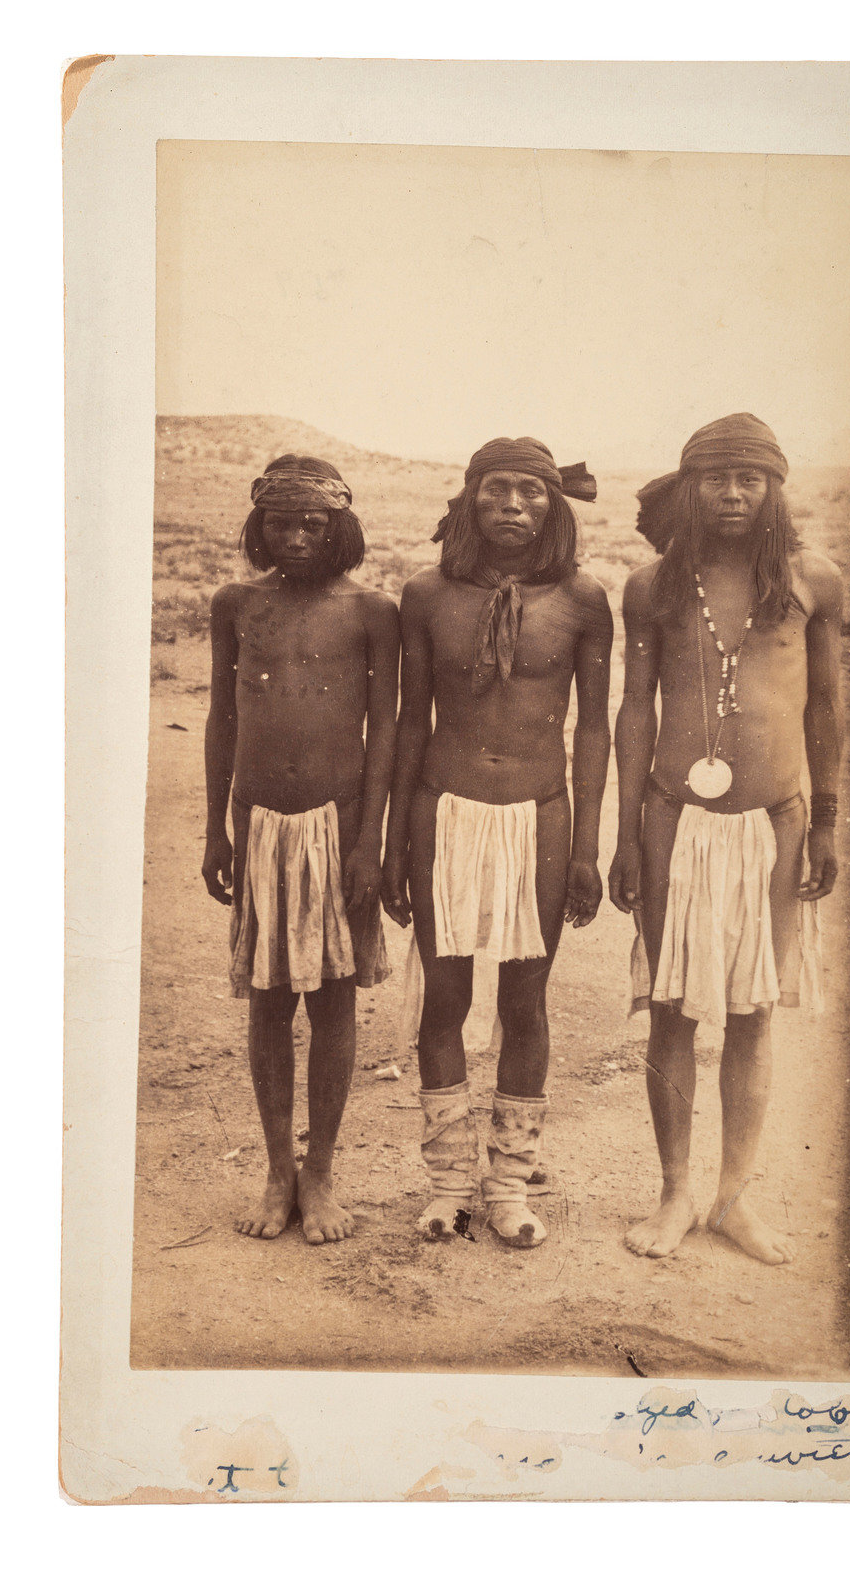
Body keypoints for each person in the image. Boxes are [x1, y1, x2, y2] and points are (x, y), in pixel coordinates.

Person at [608, 415, 843, 1263]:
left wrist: (827, 821)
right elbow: (636, 711)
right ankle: (675, 1194)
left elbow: (824, 708)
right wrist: (629, 833)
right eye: (717, 478)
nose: (734, 493)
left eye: (750, 478)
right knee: (672, 1010)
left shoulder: (813, 580)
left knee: (751, 1013)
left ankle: (734, 1198)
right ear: (690, 487)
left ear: (774, 488)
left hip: (776, 823)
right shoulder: (652, 588)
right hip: (676, 820)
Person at [382, 438, 613, 1248]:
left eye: (530, 493)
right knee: (444, 1000)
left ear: (555, 508)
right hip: (443, 811)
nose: (512, 507)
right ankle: (447, 1184)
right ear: (469, 502)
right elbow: (412, 721)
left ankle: (509, 1185)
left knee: (526, 1001)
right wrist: (392, 845)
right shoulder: (425, 596)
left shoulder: (585, 600)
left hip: (539, 816)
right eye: (496, 491)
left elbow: (594, 730)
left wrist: (585, 845)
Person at [202, 454, 399, 1245]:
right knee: (269, 999)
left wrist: (367, 844)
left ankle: (322, 1175)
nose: (297, 536)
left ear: (340, 527)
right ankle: (279, 1170)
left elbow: (384, 731)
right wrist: (214, 827)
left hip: (336, 824)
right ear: (259, 526)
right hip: (258, 824)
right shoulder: (235, 604)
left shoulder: (371, 611)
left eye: (314, 522)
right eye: (281, 522)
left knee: (333, 1000)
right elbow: (222, 719)